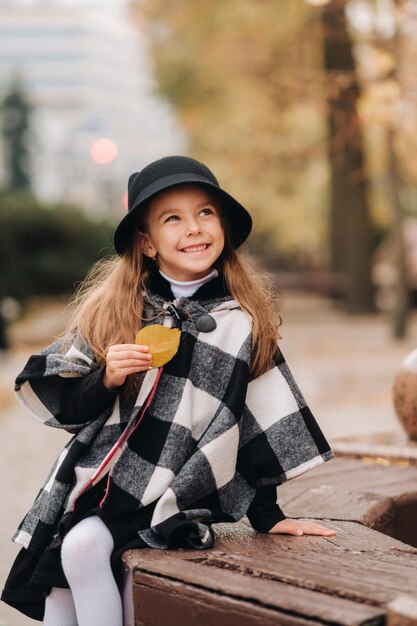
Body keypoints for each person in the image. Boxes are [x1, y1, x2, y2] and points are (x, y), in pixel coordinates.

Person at [2, 155, 335, 625]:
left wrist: (269, 515)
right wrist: (108, 378)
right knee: (61, 575)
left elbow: (257, 420)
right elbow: (70, 404)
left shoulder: (239, 324)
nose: (194, 228)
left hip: (177, 492)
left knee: (107, 566)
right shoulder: (115, 311)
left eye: (205, 213)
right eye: (172, 218)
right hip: (108, 483)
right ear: (147, 242)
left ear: (222, 225)